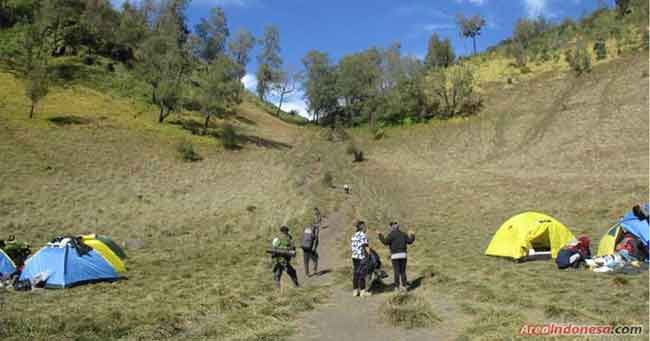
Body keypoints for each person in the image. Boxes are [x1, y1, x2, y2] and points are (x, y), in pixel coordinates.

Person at [377, 222, 415, 292]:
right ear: (398, 227)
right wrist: (412, 235)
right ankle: (404, 286)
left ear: (392, 228)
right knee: (403, 271)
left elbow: (385, 242)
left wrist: (380, 235)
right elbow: (410, 241)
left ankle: (397, 287)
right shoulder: (403, 234)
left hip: (394, 256)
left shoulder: (391, 235)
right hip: (403, 255)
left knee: (396, 271)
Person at [351, 220, 371, 297]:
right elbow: (365, 246)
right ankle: (363, 291)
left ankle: (355, 291)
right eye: (365, 226)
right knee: (362, 274)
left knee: (356, 273)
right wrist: (369, 255)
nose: (366, 228)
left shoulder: (354, 235)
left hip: (354, 256)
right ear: (362, 227)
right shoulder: (363, 235)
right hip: (361, 257)